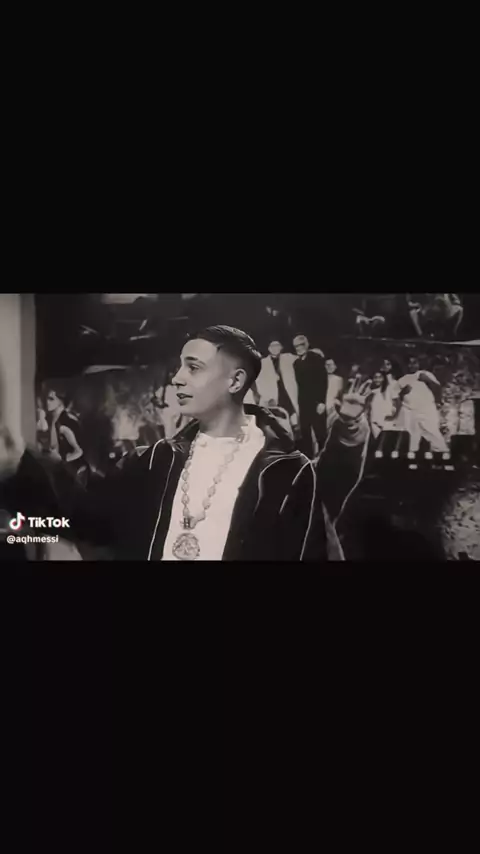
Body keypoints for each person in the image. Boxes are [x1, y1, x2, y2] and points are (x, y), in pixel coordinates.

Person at [0, 326, 369, 562]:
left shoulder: (284, 471)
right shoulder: (155, 462)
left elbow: (334, 484)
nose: (177, 378)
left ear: (235, 381)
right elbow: (87, 517)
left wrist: (349, 427)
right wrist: (20, 465)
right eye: (180, 367)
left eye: (193, 367)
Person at [395, 356, 448, 453]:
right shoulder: (402, 380)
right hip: (410, 410)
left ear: (419, 364)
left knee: (432, 431)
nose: (412, 365)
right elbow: (396, 397)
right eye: (409, 363)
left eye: (414, 363)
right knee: (412, 435)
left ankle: (442, 453)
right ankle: (413, 456)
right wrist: (403, 392)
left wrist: (428, 381)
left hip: (426, 409)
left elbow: (437, 388)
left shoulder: (425, 374)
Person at [293, 335, 328, 457]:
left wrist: (322, 402)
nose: (299, 348)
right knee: (305, 433)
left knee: (320, 433)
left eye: (301, 345)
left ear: (307, 345)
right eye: (296, 346)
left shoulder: (316, 359)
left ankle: (324, 459)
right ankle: (309, 459)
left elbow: (323, 381)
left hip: (317, 403)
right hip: (303, 403)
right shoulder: (296, 363)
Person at [255, 341, 299, 432]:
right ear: (268, 348)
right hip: (272, 397)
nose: (275, 348)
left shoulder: (288, 358)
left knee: (293, 419)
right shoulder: (263, 363)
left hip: (287, 394)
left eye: (277, 345)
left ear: (281, 347)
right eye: (272, 346)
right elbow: (259, 382)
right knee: (277, 423)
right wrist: (267, 397)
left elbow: (302, 358)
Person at [325, 359, 344, 430]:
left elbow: (340, 395)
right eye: (327, 365)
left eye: (331, 365)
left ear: (335, 367)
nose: (329, 367)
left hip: (333, 408)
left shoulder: (339, 379)